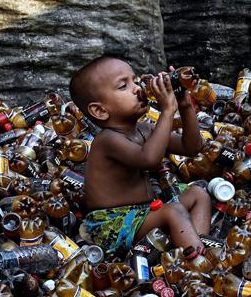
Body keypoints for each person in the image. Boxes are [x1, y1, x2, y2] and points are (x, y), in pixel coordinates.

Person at [69, 56, 211, 258]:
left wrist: (185, 104)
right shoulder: (107, 141)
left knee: (198, 194)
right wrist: (168, 110)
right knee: (174, 210)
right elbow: (149, 159)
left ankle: (196, 246)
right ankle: (199, 264)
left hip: (146, 212)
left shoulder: (144, 129)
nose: (137, 88)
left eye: (134, 81)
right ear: (100, 111)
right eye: (123, 86)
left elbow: (192, 147)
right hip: (115, 224)